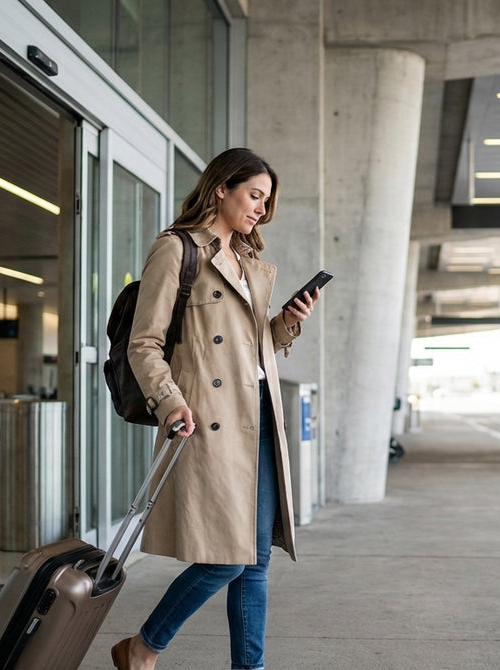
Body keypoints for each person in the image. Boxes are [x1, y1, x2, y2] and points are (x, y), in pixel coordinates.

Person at [112, 148, 321, 670]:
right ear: (222, 187)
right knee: (225, 561)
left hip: (260, 421)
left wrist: (288, 322)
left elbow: (250, 351)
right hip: (207, 423)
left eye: (267, 202)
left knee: (254, 562)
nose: (261, 210)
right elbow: (144, 344)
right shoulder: (176, 249)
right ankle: (141, 649)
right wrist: (170, 401)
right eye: (255, 196)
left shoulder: (248, 263)